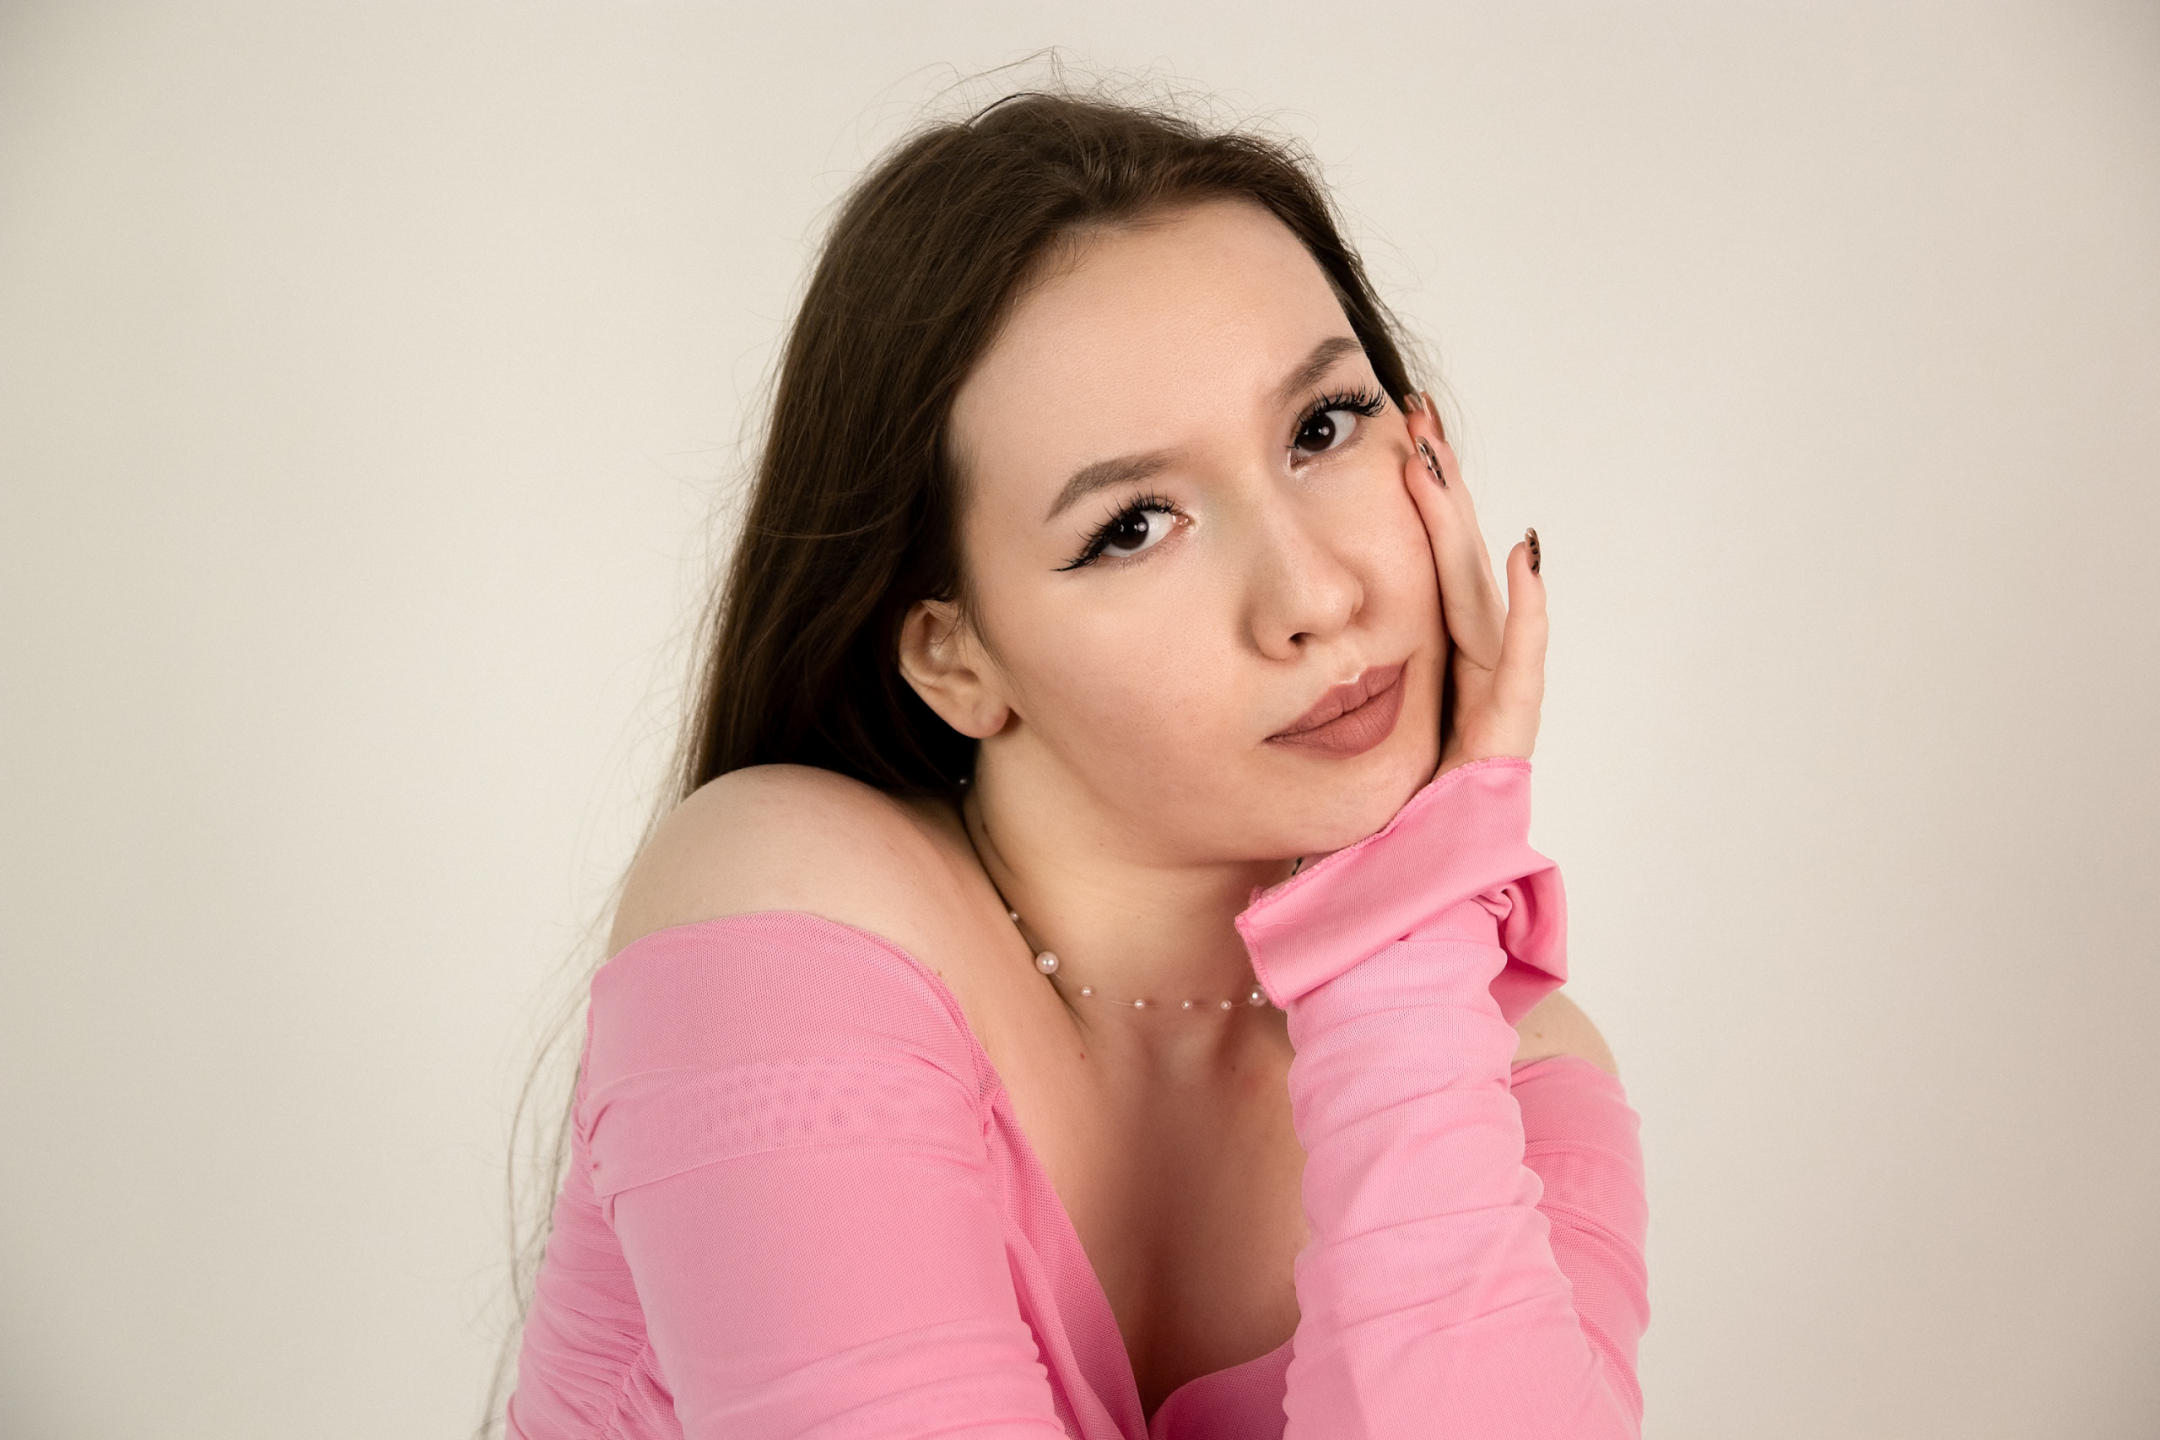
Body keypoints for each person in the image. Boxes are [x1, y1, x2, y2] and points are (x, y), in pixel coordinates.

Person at [491, 83, 1647, 1440]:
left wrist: (1402, 934)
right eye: (1134, 525)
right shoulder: (789, 907)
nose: (1316, 596)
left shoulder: (1507, 1073)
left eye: (1323, 428)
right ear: (953, 657)